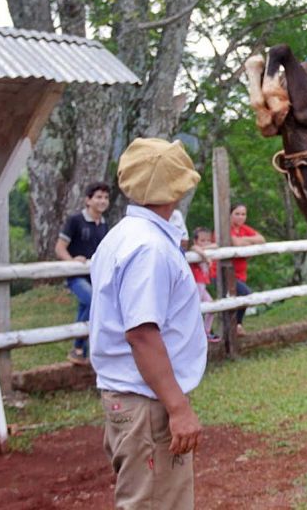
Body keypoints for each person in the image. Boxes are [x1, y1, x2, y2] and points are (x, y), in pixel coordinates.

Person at [89, 138, 206, 509]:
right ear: (178, 187)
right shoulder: (149, 248)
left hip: (133, 398)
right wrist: (177, 407)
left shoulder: (122, 237)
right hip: (147, 403)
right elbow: (141, 333)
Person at [54, 181, 110, 366]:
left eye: (105, 197)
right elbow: (60, 248)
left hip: (95, 276)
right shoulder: (75, 221)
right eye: (98, 197)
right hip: (76, 276)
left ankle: (79, 351)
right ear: (88, 200)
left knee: (86, 308)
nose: (102, 201)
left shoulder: (104, 224)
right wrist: (72, 262)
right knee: (93, 300)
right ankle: (79, 348)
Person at [211, 203, 265, 335]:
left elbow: (262, 240)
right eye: (237, 214)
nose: (241, 217)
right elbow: (236, 243)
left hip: (239, 274)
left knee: (235, 300)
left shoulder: (244, 229)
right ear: (229, 215)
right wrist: (248, 243)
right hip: (220, 272)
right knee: (245, 294)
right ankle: (236, 326)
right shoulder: (223, 229)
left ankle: (231, 329)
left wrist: (244, 240)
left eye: (243, 214)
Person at [189, 227, 220, 342]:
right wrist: (206, 257)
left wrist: (205, 248)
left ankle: (206, 332)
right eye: (202, 240)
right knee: (196, 309)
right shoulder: (194, 250)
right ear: (195, 241)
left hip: (202, 284)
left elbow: (216, 245)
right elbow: (195, 248)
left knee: (211, 306)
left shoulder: (205, 248)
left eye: (208, 240)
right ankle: (195, 334)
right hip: (196, 284)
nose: (206, 243)